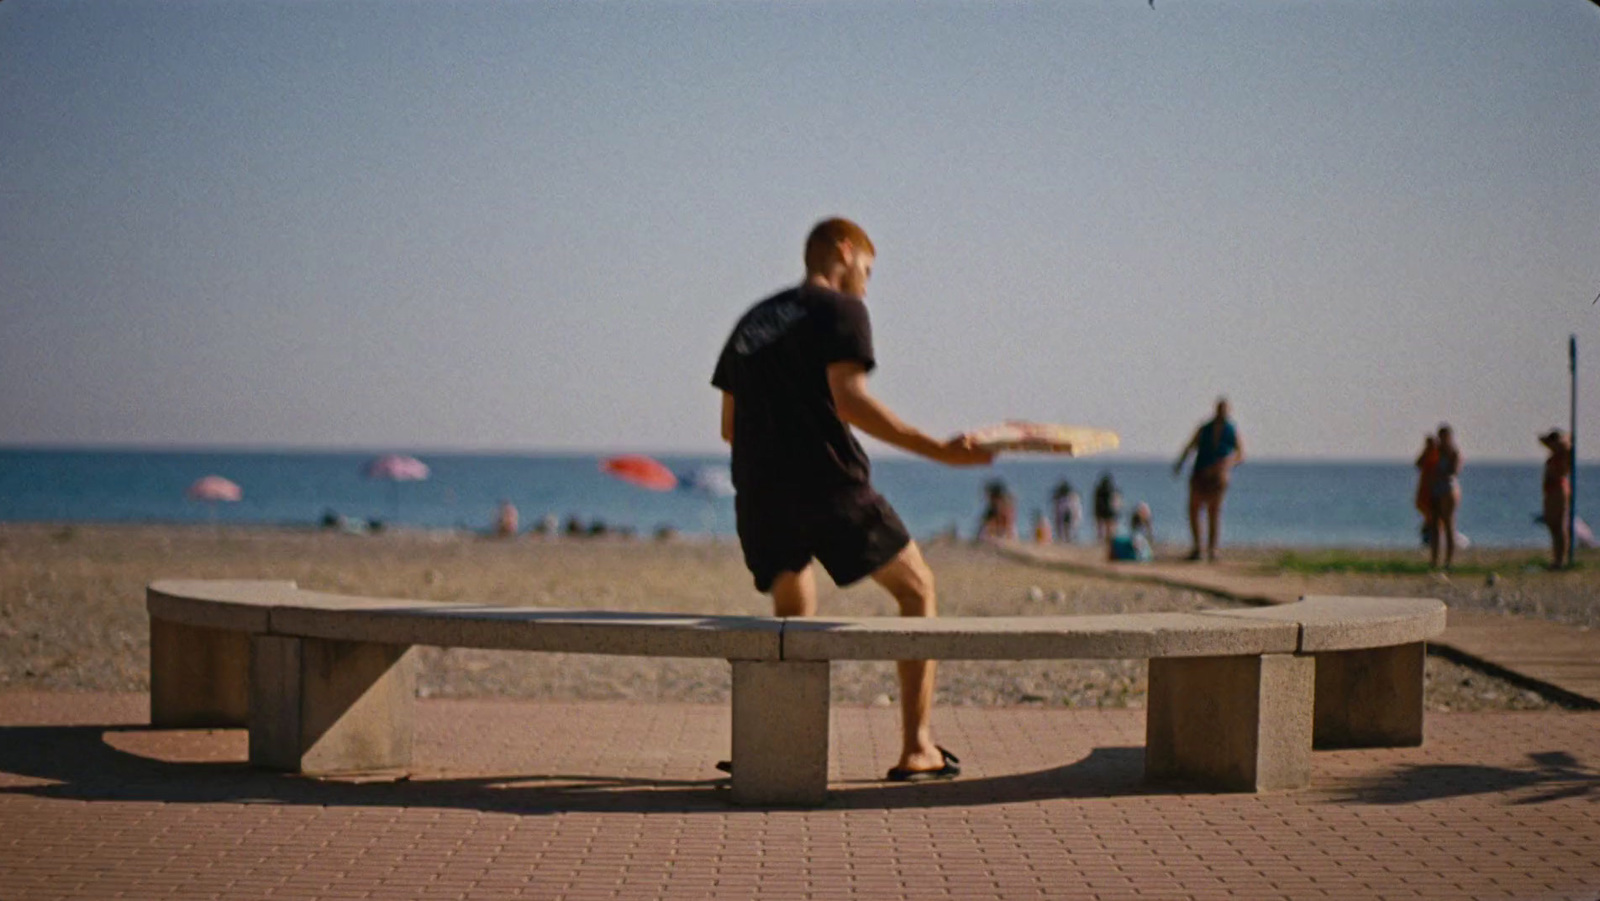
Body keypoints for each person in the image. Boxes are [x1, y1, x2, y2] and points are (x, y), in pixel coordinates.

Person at [712, 217, 992, 781]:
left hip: (761, 497)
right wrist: (938, 449)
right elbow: (850, 401)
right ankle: (918, 747)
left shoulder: (753, 321)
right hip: (832, 488)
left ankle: (774, 747)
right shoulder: (841, 309)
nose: (866, 283)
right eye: (867, 268)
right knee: (918, 591)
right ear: (845, 251)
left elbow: (729, 428)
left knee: (793, 615)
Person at [1173, 398, 1244, 561]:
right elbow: (1190, 446)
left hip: (1218, 476)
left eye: (1224, 410)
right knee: (1194, 509)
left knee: (1214, 511)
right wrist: (1180, 463)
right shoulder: (1205, 428)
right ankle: (1198, 548)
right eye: (1220, 409)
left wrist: (1227, 464)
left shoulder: (1231, 430)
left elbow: (1240, 454)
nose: (1222, 413)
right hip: (1200, 472)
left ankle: (1213, 549)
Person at [1429, 424, 1463, 570]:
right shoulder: (1435, 451)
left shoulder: (1453, 453)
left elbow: (1454, 471)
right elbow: (1419, 464)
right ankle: (1434, 560)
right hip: (1435, 489)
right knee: (1434, 526)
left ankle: (1448, 561)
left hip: (1448, 490)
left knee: (1449, 524)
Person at [1540, 429, 1572, 569]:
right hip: (1551, 490)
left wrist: (1561, 439)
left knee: (1559, 525)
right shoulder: (1555, 454)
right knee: (1553, 525)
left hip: (1558, 489)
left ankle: (1560, 559)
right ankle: (1556, 558)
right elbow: (1541, 440)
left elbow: (1566, 445)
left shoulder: (1563, 453)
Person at [1414, 435, 1440, 545]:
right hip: (1426, 491)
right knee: (1430, 516)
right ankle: (1428, 538)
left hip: (1434, 490)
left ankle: (1431, 538)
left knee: (1433, 517)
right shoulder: (1426, 455)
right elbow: (1418, 464)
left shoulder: (1437, 454)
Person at [1092, 473, 1121, 542]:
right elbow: (1116, 502)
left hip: (1100, 510)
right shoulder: (1112, 489)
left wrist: (1096, 511)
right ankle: (1109, 540)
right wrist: (1116, 511)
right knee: (1109, 528)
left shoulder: (1099, 490)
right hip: (1109, 511)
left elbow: (1096, 501)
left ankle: (1101, 540)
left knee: (1101, 528)